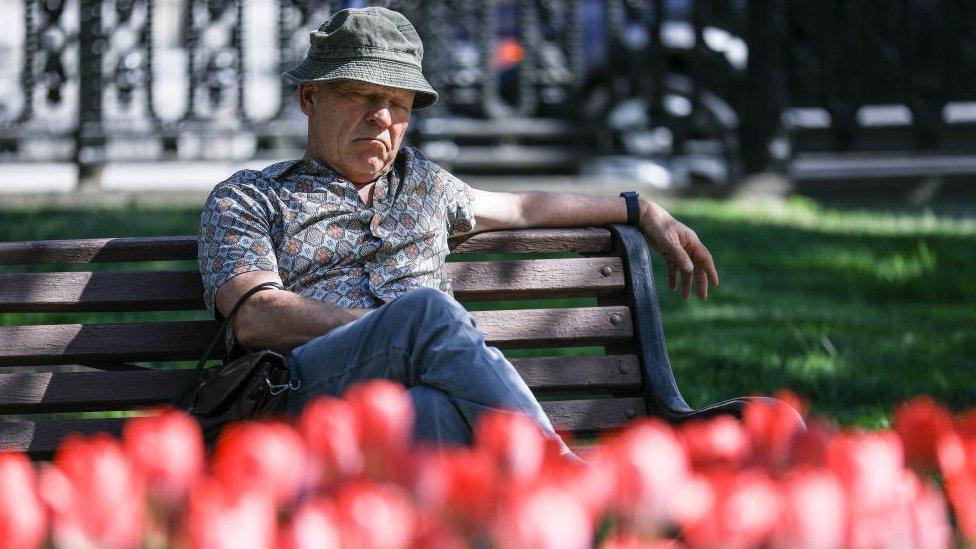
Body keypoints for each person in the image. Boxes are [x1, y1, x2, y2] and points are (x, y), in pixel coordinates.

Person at [197, 7, 718, 454]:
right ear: (310, 97)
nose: (381, 118)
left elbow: (524, 209)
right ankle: (560, 473)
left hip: (406, 409)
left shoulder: (425, 185)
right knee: (427, 312)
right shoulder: (248, 197)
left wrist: (638, 209)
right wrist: (398, 331)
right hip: (302, 403)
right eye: (362, 95)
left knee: (438, 411)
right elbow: (256, 317)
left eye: (398, 104)